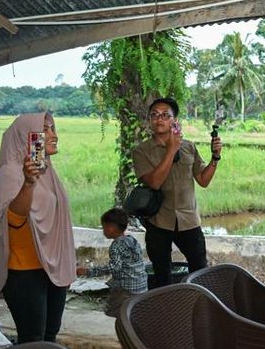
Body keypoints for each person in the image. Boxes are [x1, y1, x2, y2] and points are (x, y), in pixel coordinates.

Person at [0, 112, 76, 343]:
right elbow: (15, 218)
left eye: (53, 128)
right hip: (24, 270)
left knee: (49, 335)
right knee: (33, 339)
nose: (53, 135)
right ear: (27, 136)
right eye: (45, 129)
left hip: (52, 268)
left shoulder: (48, 172)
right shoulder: (10, 172)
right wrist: (28, 183)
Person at [132, 97, 223, 287]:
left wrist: (215, 157)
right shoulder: (141, 151)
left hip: (189, 221)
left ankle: (197, 310)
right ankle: (165, 313)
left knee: (200, 271)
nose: (159, 119)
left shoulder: (189, 147)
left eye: (165, 115)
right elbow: (154, 183)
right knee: (162, 275)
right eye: (154, 115)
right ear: (149, 120)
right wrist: (171, 150)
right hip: (158, 222)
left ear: (175, 120)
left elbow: (203, 180)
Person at [80, 208, 148, 317]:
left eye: (104, 227)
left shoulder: (116, 245)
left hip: (126, 288)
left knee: (114, 310)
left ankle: (125, 331)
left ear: (111, 228)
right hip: (141, 286)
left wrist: (89, 272)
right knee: (134, 314)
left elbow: (114, 267)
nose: (103, 230)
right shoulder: (132, 240)